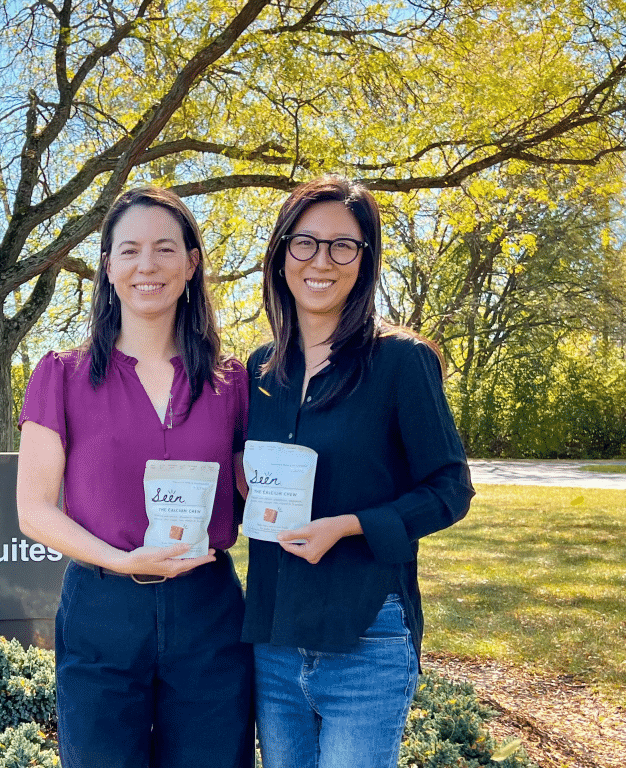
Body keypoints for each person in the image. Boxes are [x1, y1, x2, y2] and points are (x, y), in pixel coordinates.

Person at [16, 185, 253, 768]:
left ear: (192, 264)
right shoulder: (61, 375)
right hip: (103, 610)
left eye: (166, 249)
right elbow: (35, 510)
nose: (147, 266)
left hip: (208, 611)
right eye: (130, 251)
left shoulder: (233, 380)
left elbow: (255, 487)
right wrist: (123, 561)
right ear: (108, 267)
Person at [243, 174, 474, 768]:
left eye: (343, 245)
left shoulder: (400, 360)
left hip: (365, 633)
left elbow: (450, 489)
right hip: (274, 636)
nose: (321, 260)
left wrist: (347, 525)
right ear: (281, 253)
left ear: (365, 260)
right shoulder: (261, 370)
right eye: (305, 242)